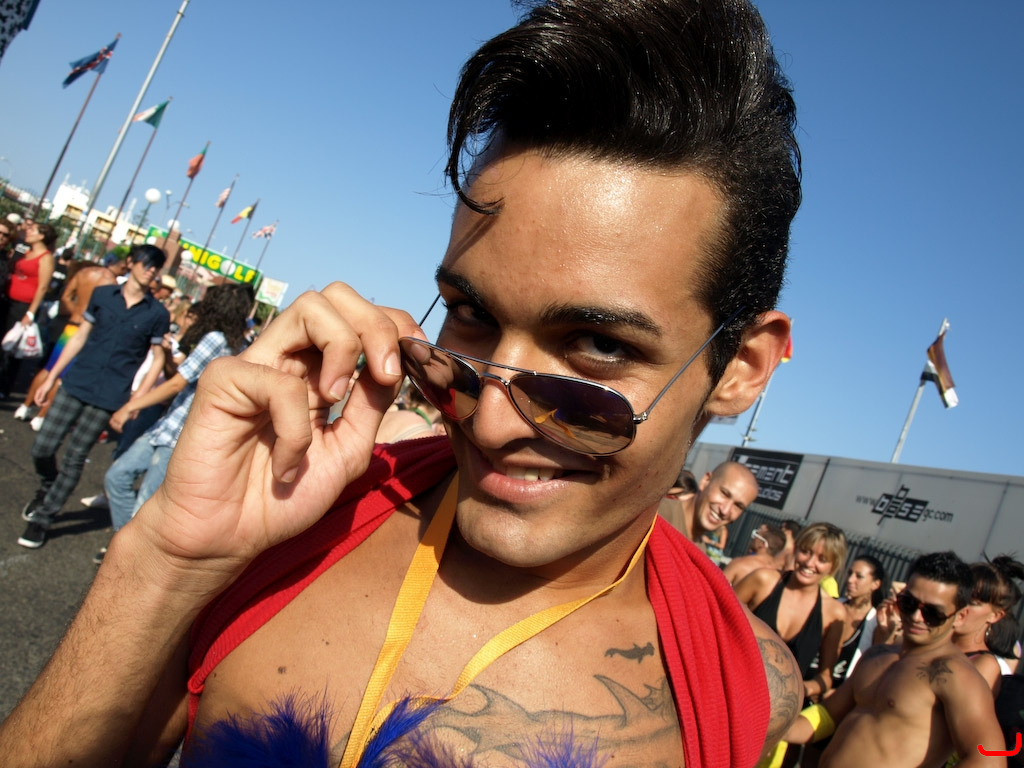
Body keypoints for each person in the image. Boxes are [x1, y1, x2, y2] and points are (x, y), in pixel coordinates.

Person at [0, 0, 804, 764]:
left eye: (597, 346)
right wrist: (168, 560)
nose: (489, 424)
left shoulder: (734, 690)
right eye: (469, 314)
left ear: (741, 369)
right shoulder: (300, 520)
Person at [784, 551, 1005, 767]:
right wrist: (776, 726)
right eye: (908, 603)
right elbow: (828, 715)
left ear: (960, 616)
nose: (917, 617)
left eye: (933, 613)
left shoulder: (956, 675)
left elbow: (990, 759)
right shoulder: (878, 654)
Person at [17, 244, 170, 549]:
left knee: (75, 457)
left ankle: (43, 518)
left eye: (156, 267)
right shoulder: (103, 295)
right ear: (131, 262)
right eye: (146, 263)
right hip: (77, 381)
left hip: (109, 395)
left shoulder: (157, 313)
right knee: (42, 446)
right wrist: (52, 376)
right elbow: (79, 337)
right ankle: (48, 486)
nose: (150, 270)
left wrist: (135, 401)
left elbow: (157, 359)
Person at [97, 284, 252, 563]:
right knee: (119, 478)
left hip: (179, 433)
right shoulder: (239, 346)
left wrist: (130, 406)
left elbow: (177, 384)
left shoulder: (215, 339)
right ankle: (126, 549)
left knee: (142, 502)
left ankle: (125, 558)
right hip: (171, 428)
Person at [736, 523, 849, 701]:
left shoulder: (834, 613)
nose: (809, 563)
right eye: (805, 551)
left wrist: (801, 689)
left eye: (822, 559)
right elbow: (716, 621)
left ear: (832, 566)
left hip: (775, 708)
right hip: (730, 687)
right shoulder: (763, 580)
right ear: (795, 549)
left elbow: (825, 677)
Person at [12, 260, 123, 427]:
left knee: (49, 368)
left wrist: (77, 311)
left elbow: (66, 297)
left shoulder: (84, 273)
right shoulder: (110, 282)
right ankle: (41, 416)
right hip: (86, 331)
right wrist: (88, 318)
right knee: (63, 376)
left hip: (70, 326)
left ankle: (25, 406)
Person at [953, 555, 1024, 695]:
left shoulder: (983, 666)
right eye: (958, 596)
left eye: (973, 603)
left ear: (995, 616)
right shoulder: (931, 645)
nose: (961, 607)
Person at [0, 221, 56, 399]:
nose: (28, 232)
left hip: (23, 307)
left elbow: (42, 287)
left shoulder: (46, 258)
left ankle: (4, 387)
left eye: (32, 230)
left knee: (12, 348)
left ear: (42, 236)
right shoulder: (26, 252)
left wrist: (30, 313)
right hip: (8, 302)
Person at [679, 461, 759, 555]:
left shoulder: (699, 553)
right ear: (705, 481)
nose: (725, 510)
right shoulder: (664, 516)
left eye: (738, 506)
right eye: (724, 493)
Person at [723, 522, 787, 584]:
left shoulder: (740, 564)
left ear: (762, 544)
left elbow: (719, 586)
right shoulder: (777, 576)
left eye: (756, 535)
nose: (753, 538)